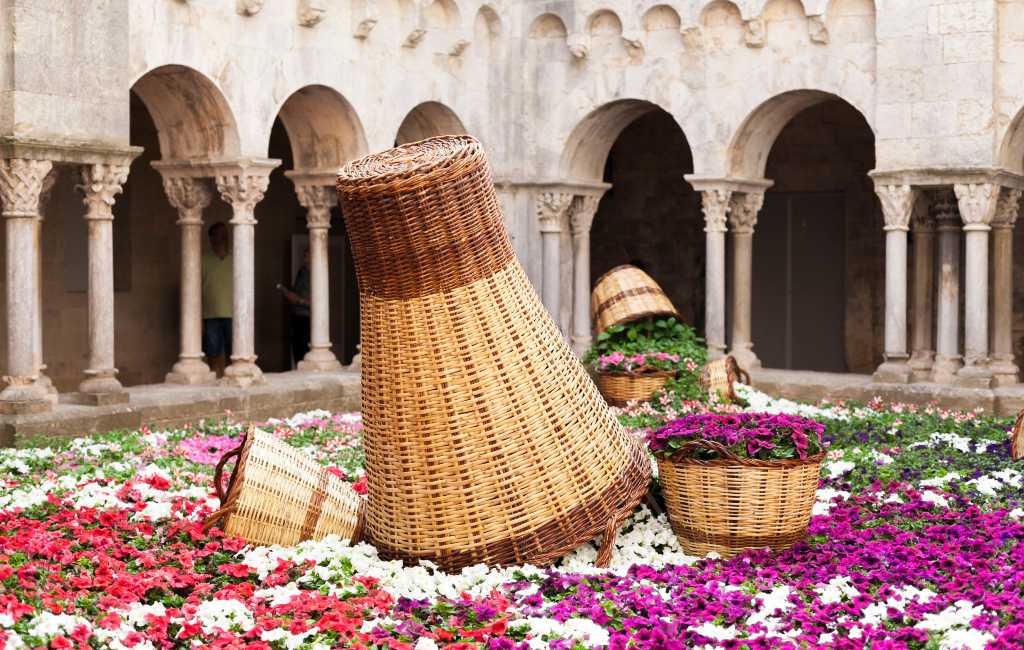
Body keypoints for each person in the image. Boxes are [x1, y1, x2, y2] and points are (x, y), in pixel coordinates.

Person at [202, 222, 233, 377]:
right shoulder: (203, 260)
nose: (218, 240)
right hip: (210, 315)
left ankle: (231, 379)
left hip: (233, 314)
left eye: (221, 235)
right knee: (212, 352)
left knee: (234, 353)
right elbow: (195, 289)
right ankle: (215, 379)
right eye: (214, 236)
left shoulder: (236, 259)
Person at [278, 248, 311, 367]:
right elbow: (296, 292)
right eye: (305, 255)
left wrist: (299, 300)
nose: (304, 259)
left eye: (308, 256)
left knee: (305, 352)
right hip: (296, 317)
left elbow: (317, 303)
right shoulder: (301, 272)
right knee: (296, 350)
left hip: (307, 319)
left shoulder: (318, 276)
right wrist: (287, 293)